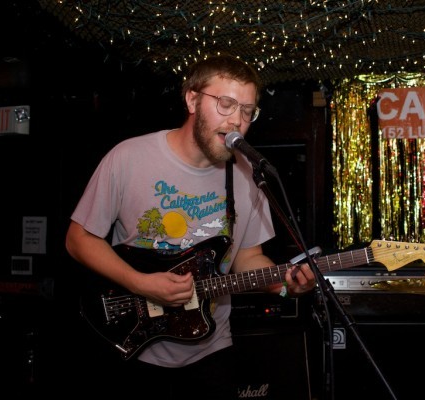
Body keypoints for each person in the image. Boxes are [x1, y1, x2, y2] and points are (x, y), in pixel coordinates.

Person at [65, 54, 316, 398]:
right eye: (226, 104)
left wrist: (286, 284)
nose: (237, 120)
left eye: (247, 111)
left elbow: (248, 258)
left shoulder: (247, 175)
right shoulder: (128, 157)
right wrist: (141, 283)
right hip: (134, 347)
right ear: (192, 100)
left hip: (211, 351)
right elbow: (78, 239)